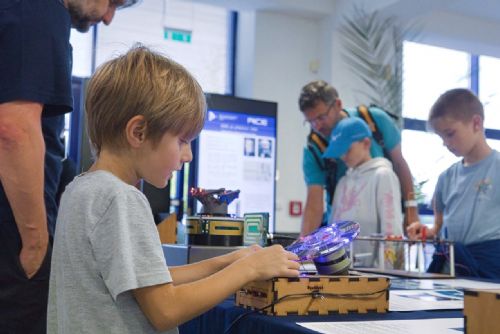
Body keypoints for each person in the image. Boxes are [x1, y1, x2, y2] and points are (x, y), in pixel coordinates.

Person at [47, 46, 300, 333]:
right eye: (182, 140)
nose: (188, 155)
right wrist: (249, 269)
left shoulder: (79, 191)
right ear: (138, 132)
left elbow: (147, 279)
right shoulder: (122, 199)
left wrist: (226, 262)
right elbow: (166, 309)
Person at [0, 1, 138, 332]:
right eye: (112, 2)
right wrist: (35, 245)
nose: (108, 18)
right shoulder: (39, 10)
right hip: (13, 247)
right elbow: (13, 131)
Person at [298, 80, 418, 237]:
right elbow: (314, 203)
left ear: (338, 104)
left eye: (321, 117)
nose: (317, 126)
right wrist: (303, 247)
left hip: (379, 225)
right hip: (344, 230)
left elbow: (400, 163)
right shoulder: (314, 148)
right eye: (311, 121)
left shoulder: (375, 120)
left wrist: (411, 211)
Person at [407, 88, 500, 279]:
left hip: (491, 268)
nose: (445, 143)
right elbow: (438, 229)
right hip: (450, 269)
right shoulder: (445, 178)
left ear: (476, 123)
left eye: (450, 134)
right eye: (441, 137)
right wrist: (424, 231)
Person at [324, 117, 403, 267]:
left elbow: (392, 230)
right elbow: (332, 228)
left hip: (375, 274)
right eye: (339, 152)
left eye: (347, 149)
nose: (343, 156)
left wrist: (389, 274)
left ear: (366, 143)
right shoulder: (343, 182)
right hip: (342, 271)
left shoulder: (383, 175)